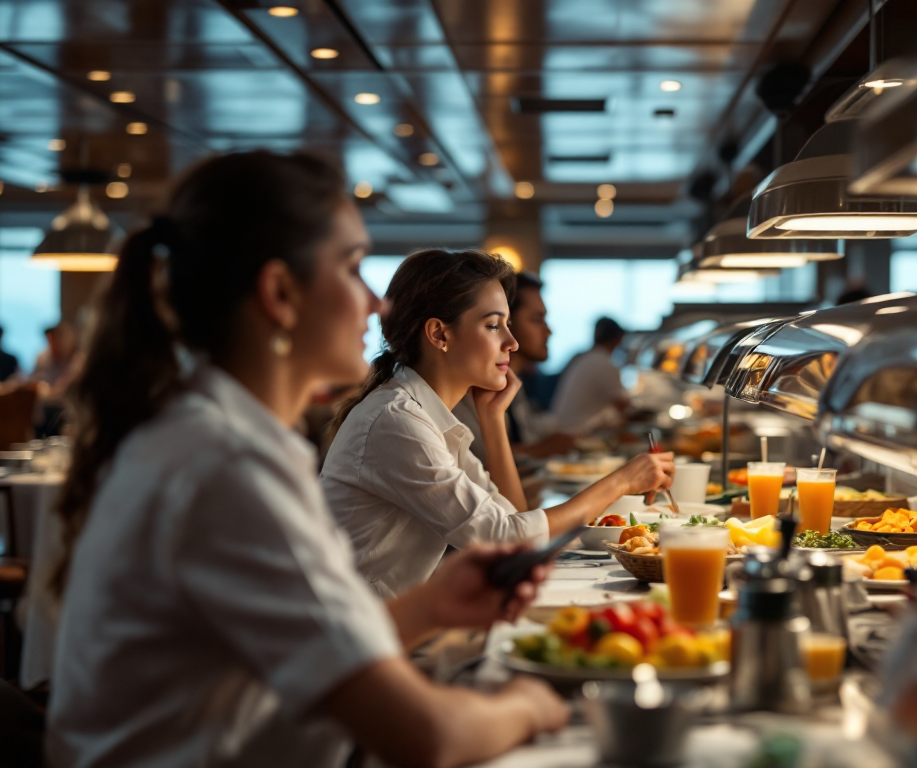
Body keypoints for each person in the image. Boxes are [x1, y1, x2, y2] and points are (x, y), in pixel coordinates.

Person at [48, 151, 568, 768]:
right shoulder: (228, 464)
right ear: (280, 293)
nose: (375, 302)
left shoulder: (212, 432)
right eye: (352, 268)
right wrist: (535, 702)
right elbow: (428, 736)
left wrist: (431, 607)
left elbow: (298, 647)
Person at [323, 250, 675, 598]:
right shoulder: (397, 421)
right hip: (354, 640)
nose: (512, 342)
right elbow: (504, 539)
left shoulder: (429, 416)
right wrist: (622, 481)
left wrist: (493, 420)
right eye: (493, 326)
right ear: (439, 335)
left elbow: (516, 521)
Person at [453, 272, 574, 464]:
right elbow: (481, 465)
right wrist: (543, 448)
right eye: (536, 319)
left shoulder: (512, 382)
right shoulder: (470, 391)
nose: (548, 331)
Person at [551, 316, 630, 435]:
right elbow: (624, 407)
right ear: (618, 339)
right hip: (572, 436)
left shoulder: (586, 358)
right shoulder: (604, 364)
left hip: (561, 429)